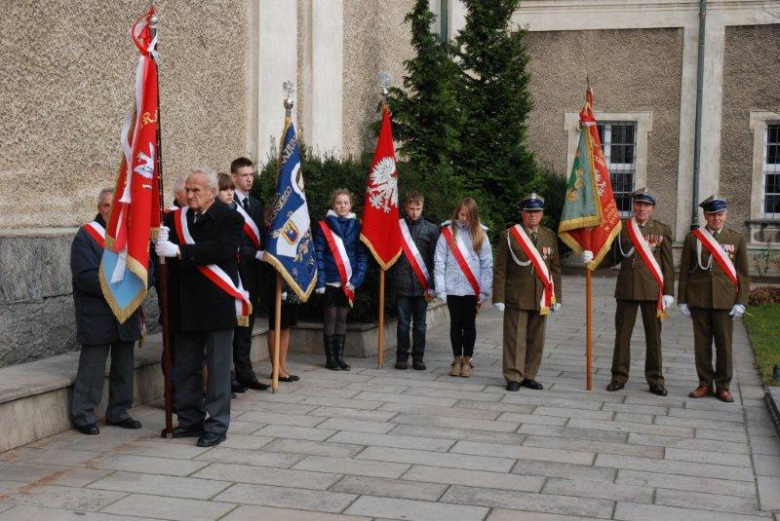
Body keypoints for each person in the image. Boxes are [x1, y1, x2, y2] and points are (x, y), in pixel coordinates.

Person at [154, 167, 246, 447]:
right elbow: (160, 251)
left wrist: (182, 251)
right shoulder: (175, 218)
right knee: (186, 367)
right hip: (184, 304)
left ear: (212, 192)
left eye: (196, 190)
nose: (190, 195)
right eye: (188, 190)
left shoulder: (230, 218)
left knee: (218, 370)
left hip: (215, 302)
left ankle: (217, 424)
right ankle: (190, 419)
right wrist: (157, 245)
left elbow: (221, 249)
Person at [583, 188, 674, 396]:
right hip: (627, 289)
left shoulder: (662, 230)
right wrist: (592, 262)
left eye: (646, 205)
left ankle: (655, 379)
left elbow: (668, 265)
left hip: (653, 291)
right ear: (634, 205)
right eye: (639, 204)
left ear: (652, 208)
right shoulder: (622, 229)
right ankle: (619, 376)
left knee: (654, 337)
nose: (642, 208)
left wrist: (669, 292)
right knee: (622, 336)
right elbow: (613, 256)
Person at [70, 188, 143, 434]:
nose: (111, 211)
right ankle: (83, 414)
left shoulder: (133, 235)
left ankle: (118, 411)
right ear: (99, 208)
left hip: (126, 310)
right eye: (106, 206)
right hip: (97, 312)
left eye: (116, 206)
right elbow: (85, 277)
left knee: (124, 363)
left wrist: (140, 281)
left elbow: (146, 268)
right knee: (92, 366)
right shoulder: (86, 236)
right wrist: (120, 284)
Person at [678, 196, 749, 403]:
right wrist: (683, 299)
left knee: (724, 345)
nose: (716, 218)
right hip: (699, 299)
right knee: (702, 344)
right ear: (705, 216)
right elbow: (684, 272)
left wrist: (740, 301)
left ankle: (723, 386)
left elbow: (743, 274)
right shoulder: (693, 238)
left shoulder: (736, 238)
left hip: (725, 300)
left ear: (726, 215)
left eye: (719, 214)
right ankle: (705, 383)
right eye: (711, 214)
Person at [493, 194, 562, 391]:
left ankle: (529, 374)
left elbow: (555, 269)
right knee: (515, 337)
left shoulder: (549, 236)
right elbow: (500, 269)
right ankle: (513, 376)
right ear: (522, 213)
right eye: (529, 211)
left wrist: (558, 297)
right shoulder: (510, 235)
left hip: (541, 296)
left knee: (536, 337)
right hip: (516, 294)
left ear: (542, 214)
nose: (533, 215)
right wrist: (498, 296)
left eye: (536, 212)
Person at [434, 197, 493, 378]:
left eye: (468, 215)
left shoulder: (480, 234)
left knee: (469, 325)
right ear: (456, 213)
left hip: (471, 288)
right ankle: (456, 358)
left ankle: (467, 360)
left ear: (473, 215)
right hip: (452, 287)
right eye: (461, 214)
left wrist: (484, 289)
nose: (464, 218)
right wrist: (441, 288)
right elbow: (439, 260)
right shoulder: (447, 233)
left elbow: (487, 263)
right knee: (455, 324)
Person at [314, 189, 368, 371]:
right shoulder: (324, 226)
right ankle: (330, 359)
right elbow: (319, 254)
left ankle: (340, 357)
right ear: (333, 204)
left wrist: (357, 279)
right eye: (339, 203)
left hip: (348, 281)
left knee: (342, 318)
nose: (342, 206)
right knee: (330, 317)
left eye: (345, 203)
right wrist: (320, 281)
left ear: (350, 205)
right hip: (329, 280)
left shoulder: (357, 226)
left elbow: (361, 256)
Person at [230, 157, 269, 392]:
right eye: (245, 175)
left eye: (251, 174)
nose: (249, 179)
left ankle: (246, 372)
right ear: (234, 177)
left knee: (247, 326)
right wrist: (255, 254)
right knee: (234, 325)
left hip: (253, 275)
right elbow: (231, 241)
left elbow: (261, 237)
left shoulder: (255, 204)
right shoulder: (227, 202)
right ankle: (231, 373)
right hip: (234, 274)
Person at [392, 191, 439, 370]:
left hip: (422, 285)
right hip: (402, 283)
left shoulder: (431, 229)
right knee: (403, 324)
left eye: (417, 208)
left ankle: (418, 357)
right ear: (406, 207)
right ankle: (401, 357)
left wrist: (432, 285)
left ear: (422, 207)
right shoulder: (397, 227)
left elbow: (436, 259)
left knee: (420, 324)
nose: (414, 212)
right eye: (411, 208)